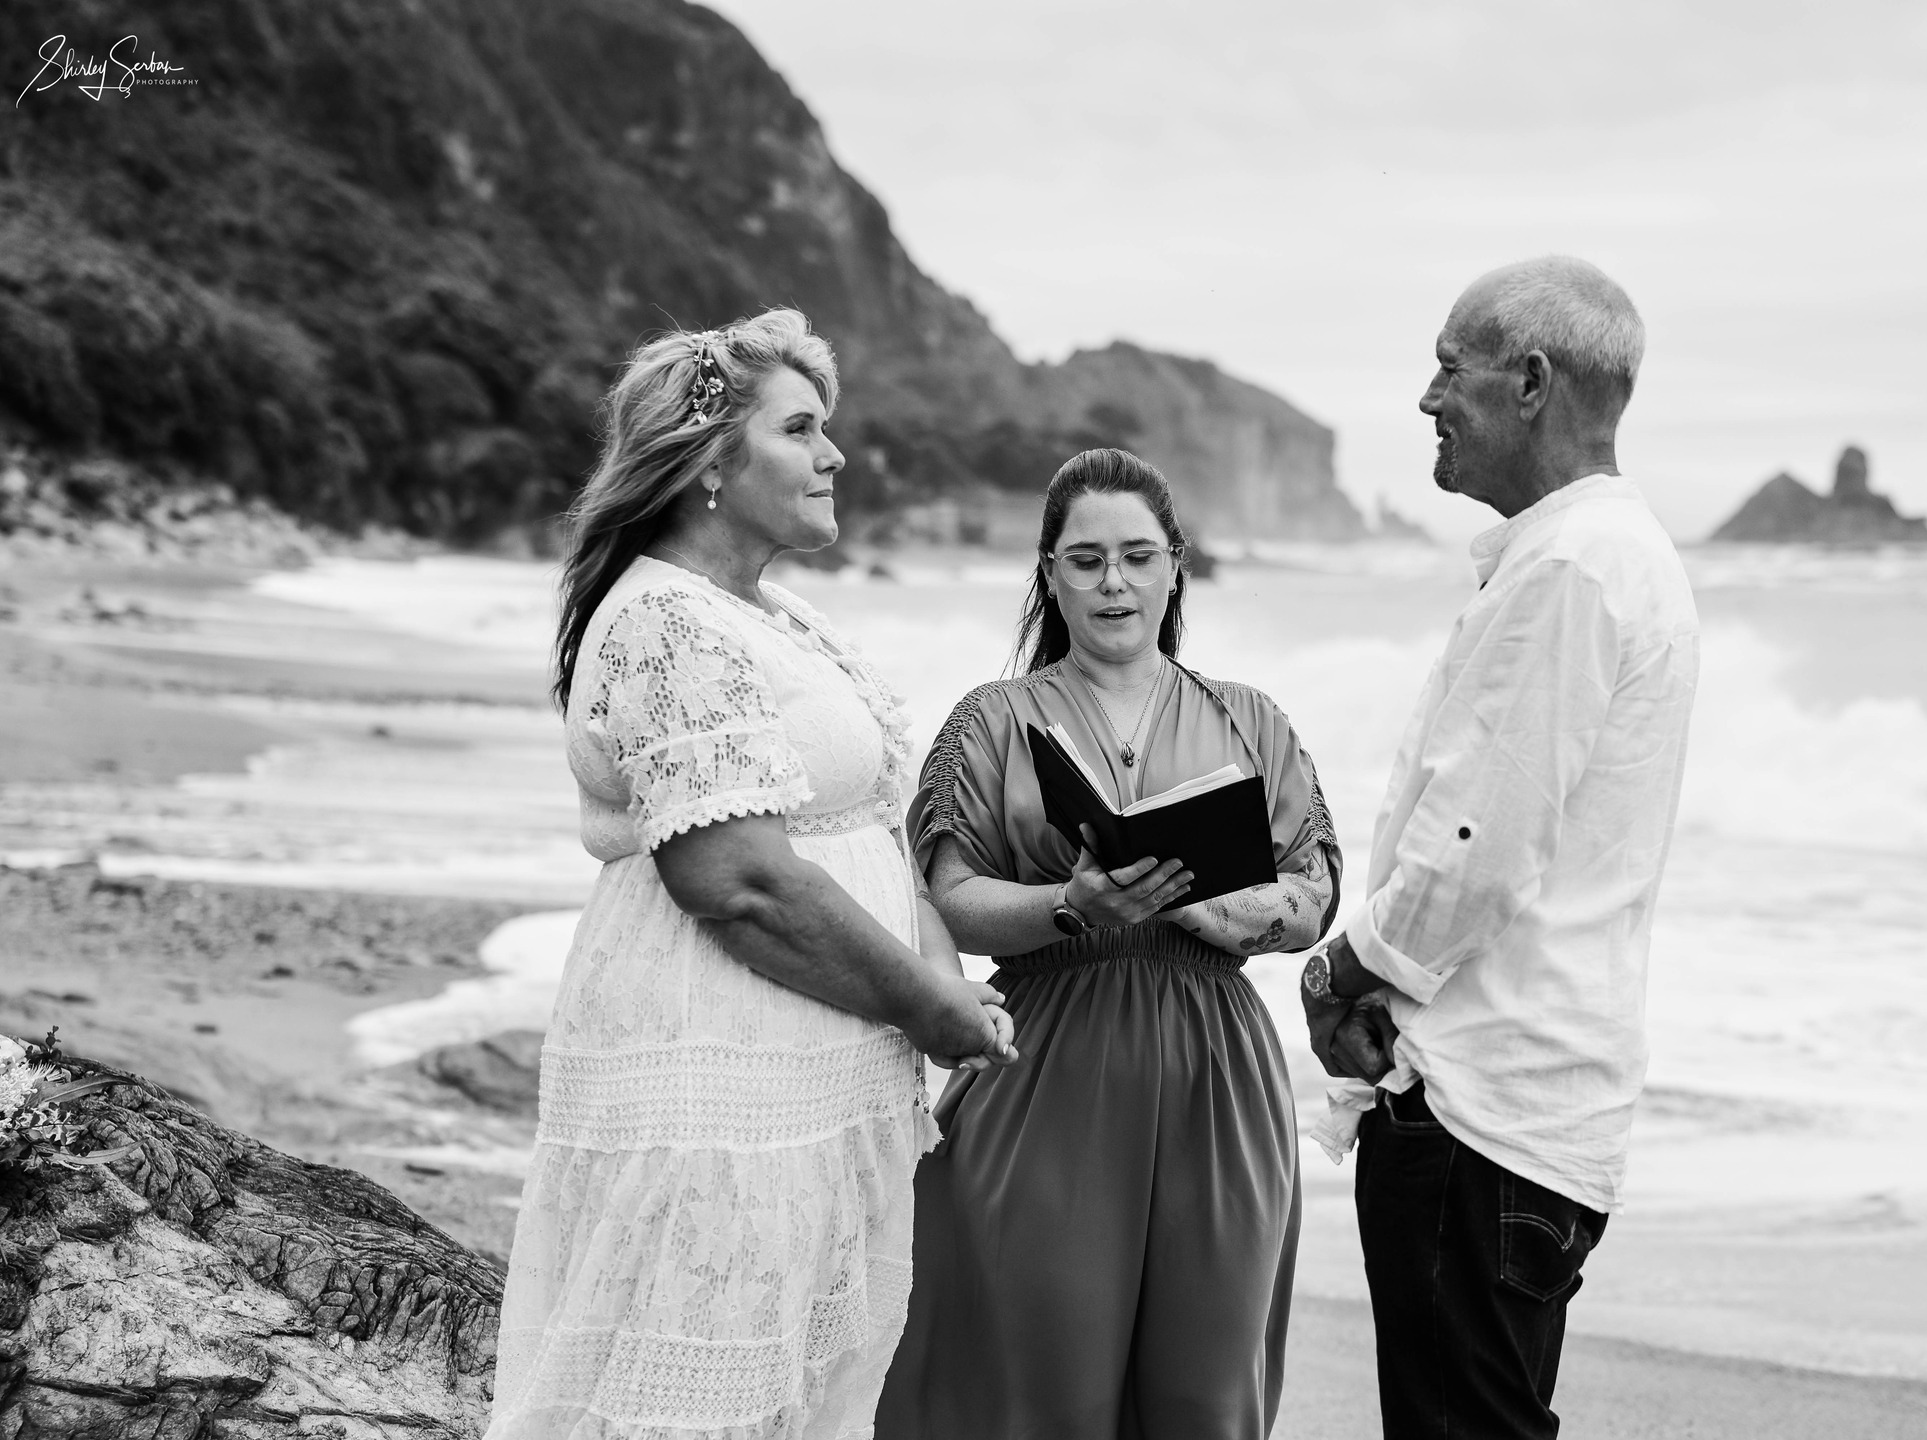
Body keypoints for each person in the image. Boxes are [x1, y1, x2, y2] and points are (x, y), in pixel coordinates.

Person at [488, 310, 1015, 1440]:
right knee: (688, 1388)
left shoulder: (770, 613)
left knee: (797, 1386)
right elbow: (737, 882)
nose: (835, 457)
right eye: (803, 429)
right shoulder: (663, 624)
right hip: (719, 1063)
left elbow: (874, 818)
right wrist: (928, 1005)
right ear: (712, 462)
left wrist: (945, 978)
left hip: (818, 1060)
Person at [1301, 257, 1699, 1439]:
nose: (1427, 398)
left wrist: (1342, 971)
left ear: (1530, 382)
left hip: (1485, 1114)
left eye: (1447, 367)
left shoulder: (1574, 568)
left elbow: (1479, 842)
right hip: (1541, 1102)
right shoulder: (1606, 557)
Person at [876, 448, 1342, 1440]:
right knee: (1042, 1386)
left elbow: (1318, 890)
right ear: (1048, 573)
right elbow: (947, 894)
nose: (1113, 582)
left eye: (1137, 556)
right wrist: (1070, 905)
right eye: (1085, 560)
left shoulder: (1249, 719)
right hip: (1047, 1063)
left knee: (1206, 1399)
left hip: (1221, 1075)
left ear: (1176, 565)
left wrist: (1228, 914)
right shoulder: (993, 721)